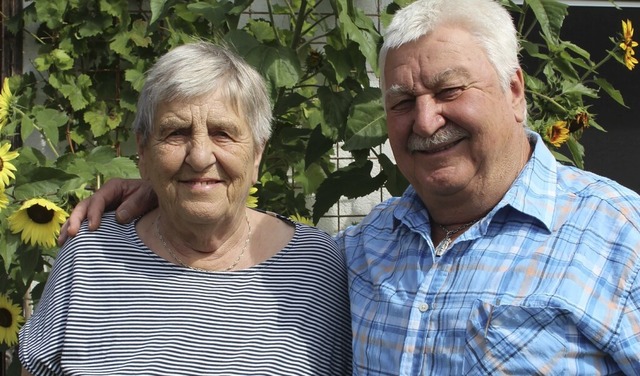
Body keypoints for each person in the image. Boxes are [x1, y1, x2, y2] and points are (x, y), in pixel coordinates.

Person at [57, 0, 640, 374]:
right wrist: (170, 187)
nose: (427, 120)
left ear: (515, 90)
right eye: (403, 102)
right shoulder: (360, 253)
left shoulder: (620, 236)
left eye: (451, 90)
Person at [18, 41, 352, 375]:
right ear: (144, 152)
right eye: (176, 133)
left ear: (258, 154)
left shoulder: (316, 265)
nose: (200, 156)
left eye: (223, 133)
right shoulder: (91, 254)